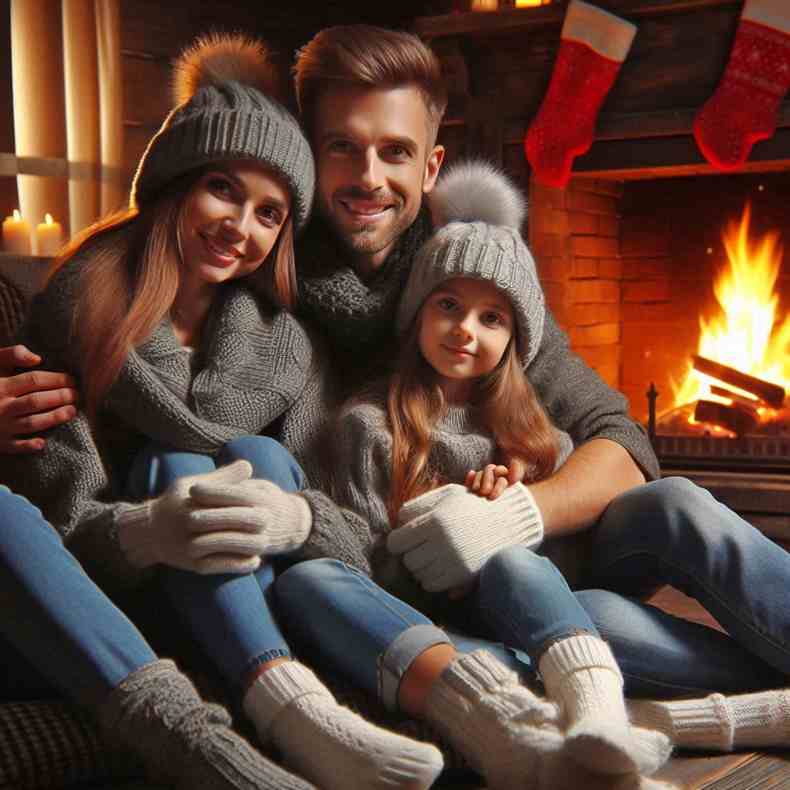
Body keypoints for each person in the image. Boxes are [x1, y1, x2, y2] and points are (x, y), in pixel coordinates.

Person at [4, 19, 790, 749]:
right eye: (341, 149)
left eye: (395, 152)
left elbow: (621, 438)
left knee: (676, 504)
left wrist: (517, 515)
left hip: (530, 546)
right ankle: (672, 707)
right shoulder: (253, 277)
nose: (368, 178)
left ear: (432, 164)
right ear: (305, 154)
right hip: (412, 587)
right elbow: (138, 348)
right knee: (592, 622)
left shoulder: (468, 283)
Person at [0, 32, 443, 790]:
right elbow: (57, 532)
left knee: (253, 459)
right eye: (223, 189)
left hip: (239, 608)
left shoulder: (284, 347)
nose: (242, 226)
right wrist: (146, 531)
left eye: (271, 213)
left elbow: (343, 529)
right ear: (174, 183)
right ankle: (228, 742)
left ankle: (295, 707)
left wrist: (291, 518)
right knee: (171, 464)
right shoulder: (80, 311)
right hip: (111, 606)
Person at [261, 161, 674, 790]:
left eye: (492, 318)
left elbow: (562, 559)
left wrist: (506, 519)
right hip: (448, 645)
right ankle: (545, 717)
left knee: (516, 565)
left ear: (515, 339)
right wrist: (443, 528)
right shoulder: (368, 426)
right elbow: (363, 568)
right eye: (448, 305)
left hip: (542, 629)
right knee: (308, 584)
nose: (464, 330)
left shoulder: (534, 433)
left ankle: (599, 714)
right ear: (417, 314)